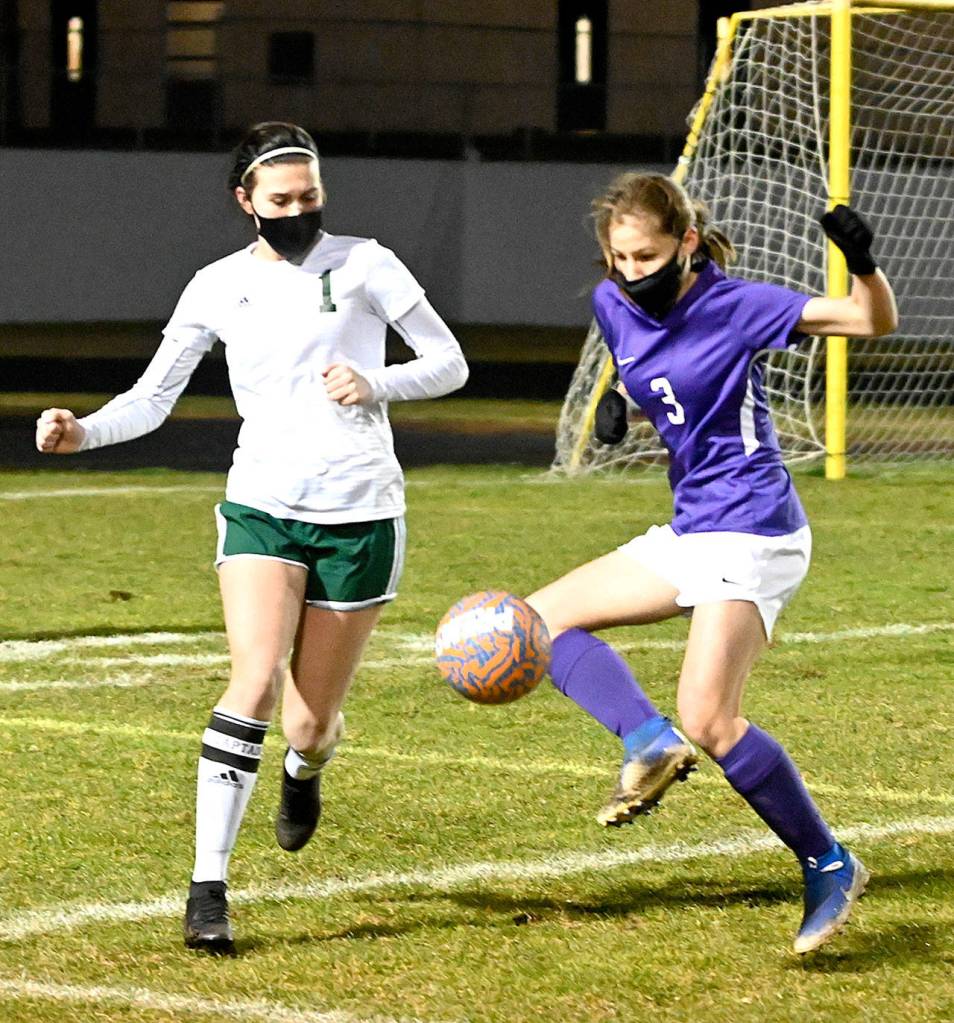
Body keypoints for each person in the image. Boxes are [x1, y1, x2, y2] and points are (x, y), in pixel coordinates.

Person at [35, 122, 469, 955]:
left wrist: (375, 381)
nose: (299, 211)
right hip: (262, 503)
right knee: (253, 682)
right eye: (281, 200)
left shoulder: (367, 262)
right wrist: (81, 432)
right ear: (246, 202)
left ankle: (304, 776)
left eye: (310, 197)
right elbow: (154, 396)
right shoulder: (214, 286)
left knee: (310, 726)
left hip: (361, 512)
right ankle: (209, 887)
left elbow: (449, 362)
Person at [526, 172, 897, 954]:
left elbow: (872, 321)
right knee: (536, 623)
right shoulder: (612, 302)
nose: (633, 271)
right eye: (620, 257)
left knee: (711, 717)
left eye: (648, 255)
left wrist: (862, 261)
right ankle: (647, 741)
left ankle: (829, 861)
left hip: (756, 528)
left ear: (687, 243)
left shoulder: (740, 306)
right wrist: (624, 413)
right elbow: (642, 367)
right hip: (695, 524)